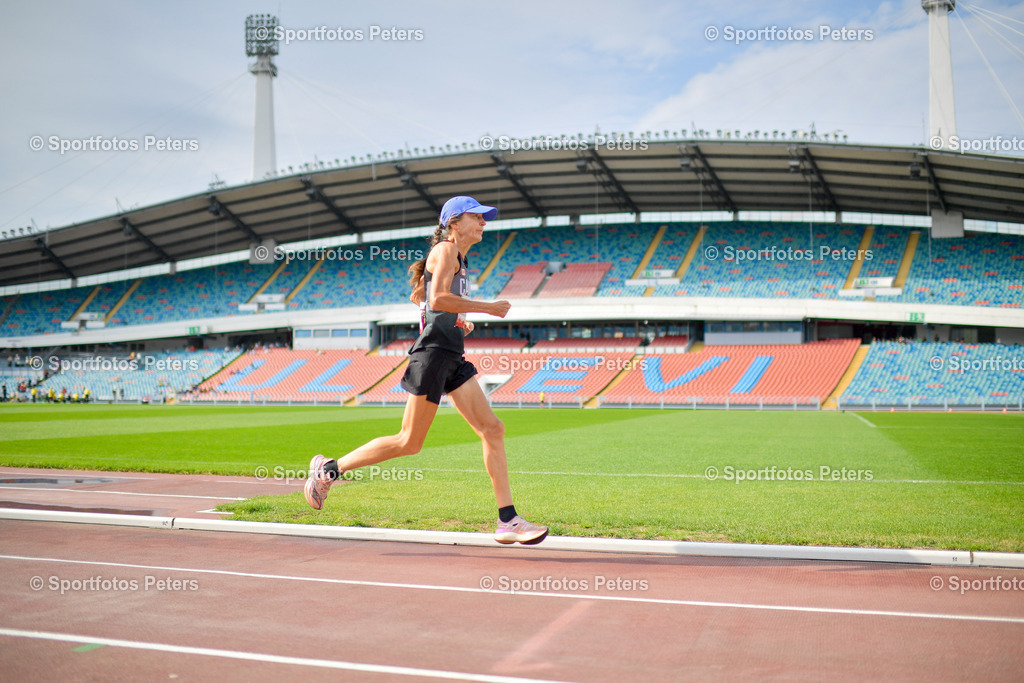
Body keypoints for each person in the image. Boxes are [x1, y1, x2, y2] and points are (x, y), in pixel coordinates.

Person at [304, 196, 548, 545]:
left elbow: (423, 299)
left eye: (484, 218)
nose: (483, 223)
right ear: (453, 222)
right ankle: (328, 470)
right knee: (409, 442)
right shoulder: (447, 250)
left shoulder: (460, 258)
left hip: (451, 356)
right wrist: (486, 308)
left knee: (493, 429)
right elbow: (437, 300)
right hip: (433, 356)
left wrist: (456, 322)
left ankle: (507, 520)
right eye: (476, 217)